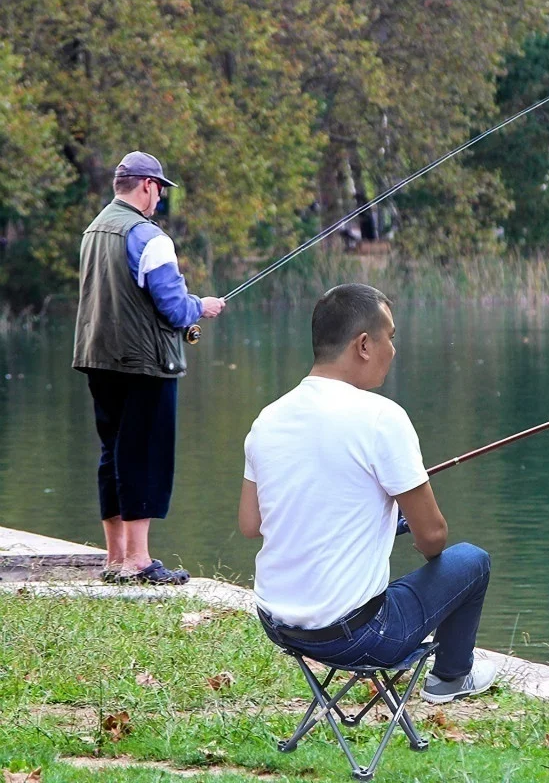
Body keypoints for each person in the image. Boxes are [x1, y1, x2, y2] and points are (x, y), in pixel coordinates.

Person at [239, 283, 496, 703]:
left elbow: (252, 525)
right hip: (358, 636)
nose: (393, 350)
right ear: (363, 344)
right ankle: (450, 678)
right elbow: (434, 539)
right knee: (472, 561)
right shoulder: (382, 418)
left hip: (278, 624)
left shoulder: (267, 419)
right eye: (389, 337)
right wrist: (414, 527)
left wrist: (382, 519)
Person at [73, 151, 226, 585]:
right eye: (160, 188)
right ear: (146, 185)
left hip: (98, 358)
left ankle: (115, 559)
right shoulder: (149, 237)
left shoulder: (94, 230)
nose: (160, 197)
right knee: (144, 455)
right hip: (145, 363)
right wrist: (204, 305)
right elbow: (176, 309)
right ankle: (139, 561)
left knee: (113, 453)